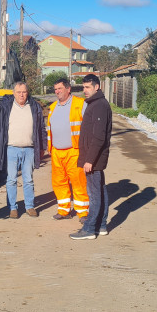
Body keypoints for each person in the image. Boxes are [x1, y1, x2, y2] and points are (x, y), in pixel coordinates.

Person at [0, 81, 46, 219]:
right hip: (11, 149)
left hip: (29, 149)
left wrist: (43, 146)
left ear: (28, 93)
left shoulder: (35, 106)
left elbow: (41, 129)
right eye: (19, 92)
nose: (21, 95)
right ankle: (13, 208)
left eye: (24, 92)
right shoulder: (7, 105)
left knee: (28, 179)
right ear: (14, 93)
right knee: (11, 179)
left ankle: (30, 206)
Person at [70, 74, 112, 240]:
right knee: (100, 190)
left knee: (94, 194)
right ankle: (101, 225)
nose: (84, 90)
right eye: (83, 87)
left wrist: (89, 160)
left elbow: (99, 137)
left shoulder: (99, 106)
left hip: (93, 159)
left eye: (88, 87)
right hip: (93, 158)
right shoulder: (94, 104)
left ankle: (89, 229)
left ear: (97, 87)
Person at [46, 78, 89, 221]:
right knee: (59, 182)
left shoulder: (80, 104)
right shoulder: (53, 107)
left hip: (74, 150)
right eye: (56, 89)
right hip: (56, 151)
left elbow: (89, 127)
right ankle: (63, 210)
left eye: (60, 88)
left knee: (78, 181)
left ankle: (83, 212)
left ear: (68, 89)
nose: (57, 91)